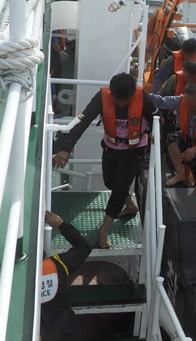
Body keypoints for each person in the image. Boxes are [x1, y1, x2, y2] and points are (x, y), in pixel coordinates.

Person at [52, 73, 156, 249]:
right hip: (111, 148)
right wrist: (66, 149)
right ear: (112, 93)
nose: (121, 103)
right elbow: (82, 122)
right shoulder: (102, 97)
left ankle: (104, 229)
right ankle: (130, 206)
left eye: (125, 99)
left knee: (120, 189)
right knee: (110, 182)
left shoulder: (144, 98)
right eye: (118, 99)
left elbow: (157, 122)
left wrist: (154, 140)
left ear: (132, 94)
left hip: (133, 151)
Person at [149, 82, 196, 195]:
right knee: (171, 138)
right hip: (185, 140)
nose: (189, 104)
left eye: (192, 102)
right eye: (187, 100)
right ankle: (179, 174)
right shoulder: (180, 101)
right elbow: (161, 101)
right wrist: (143, 95)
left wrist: (195, 150)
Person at [40, 210, 92, 341]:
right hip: (68, 331)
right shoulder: (58, 264)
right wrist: (61, 224)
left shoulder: (12, 281)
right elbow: (84, 247)